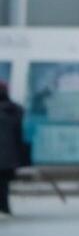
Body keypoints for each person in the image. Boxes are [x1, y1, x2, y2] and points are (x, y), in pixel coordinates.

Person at [0, 82, 28, 218]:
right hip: (9, 155)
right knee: (3, 184)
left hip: (6, 154)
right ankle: (4, 208)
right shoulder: (14, 110)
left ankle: (4, 209)